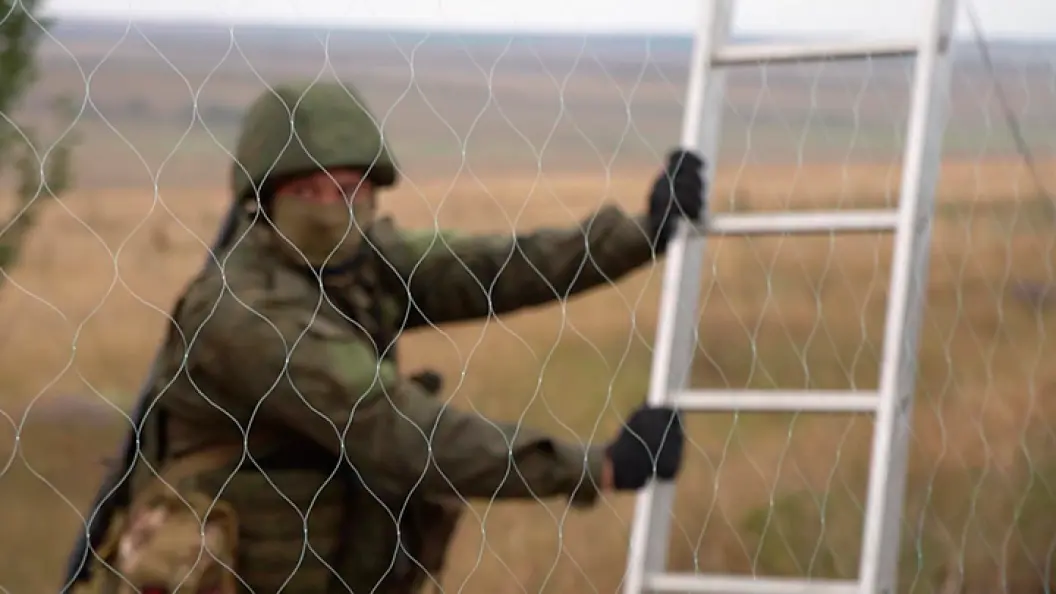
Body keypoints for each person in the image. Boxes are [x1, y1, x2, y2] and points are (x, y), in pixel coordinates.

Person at [67, 80, 706, 594]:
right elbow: (393, 427)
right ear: (262, 200)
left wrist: (640, 235)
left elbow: (491, 267)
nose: (332, 208)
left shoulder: (359, 261)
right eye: (307, 190)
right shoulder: (242, 313)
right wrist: (596, 467)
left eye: (349, 189)